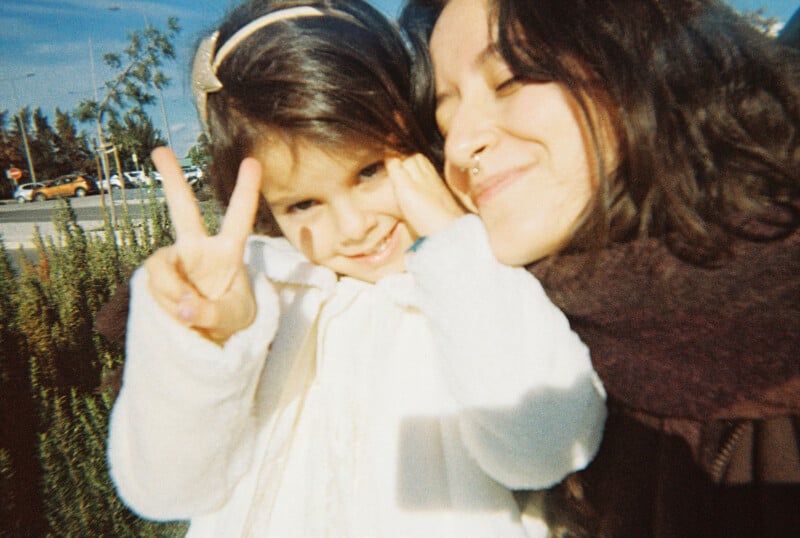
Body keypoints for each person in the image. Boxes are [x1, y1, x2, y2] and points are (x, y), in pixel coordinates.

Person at [105, 1, 607, 536]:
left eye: (369, 171)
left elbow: (547, 447)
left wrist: (454, 245)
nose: (353, 226)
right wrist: (205, 345)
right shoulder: (259, 301)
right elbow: (162, 489)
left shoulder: (476, 284)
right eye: (303, 204)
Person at [398, 0, 800, 536]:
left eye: (510, 80)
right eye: (442, 122)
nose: (461, 145)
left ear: (639, 60)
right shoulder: (494, 372)